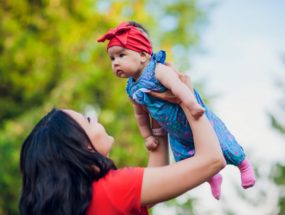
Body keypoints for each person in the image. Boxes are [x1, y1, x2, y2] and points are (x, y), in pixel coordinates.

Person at [97, 21, 256, 200]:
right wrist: (148, 136)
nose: (116, 63)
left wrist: (192, 104)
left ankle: (243, 165)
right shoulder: (131, 89)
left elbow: (178, 86)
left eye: (121, 56)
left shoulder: (157, 70)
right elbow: (140, 114)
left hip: (190, 115)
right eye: (112, 59)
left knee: (223, 143)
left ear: (142, 55)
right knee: (185, 158)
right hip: (174, 130)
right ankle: (211, 177)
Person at [19, 87, 226, 215]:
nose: (96, 119)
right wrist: (185, 95)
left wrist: (156, 114)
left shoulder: (82, 200)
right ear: (84, 146)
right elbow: (212, 160)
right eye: (89, 120)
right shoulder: (112, 189)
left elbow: (153, 186)